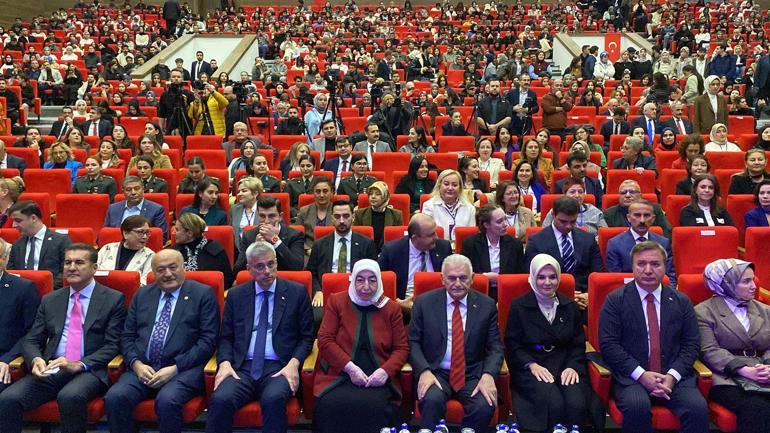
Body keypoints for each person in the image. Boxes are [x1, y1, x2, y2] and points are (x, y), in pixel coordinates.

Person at [0, 244, 126, 433]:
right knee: (8, 399)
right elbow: (32, 338)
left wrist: (79, 364)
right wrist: (35, 359)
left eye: (79, 262)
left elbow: (113, 344)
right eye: (68, 263)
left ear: (94, 268)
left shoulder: (113, 299)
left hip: (89, 369)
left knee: (70, 396)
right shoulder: (51, 299)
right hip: (53, 367)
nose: (72, 267)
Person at [104, 249, 220, 433]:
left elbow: (208, 341)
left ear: (183, 267)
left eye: (173, 267)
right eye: (160, 269)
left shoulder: (202, 294)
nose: (167, 274)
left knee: (167, 401)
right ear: (153, 272)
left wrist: (175, 368)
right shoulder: (142, 295)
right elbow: (127, 336)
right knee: (115, 397)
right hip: (143, 369)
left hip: (183, 370)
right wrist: (136, 364)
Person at [599, 241, 708, 433]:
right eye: (641, 264)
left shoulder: (681, 301)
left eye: (655, 264)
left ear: (665, 266)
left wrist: (672, 376)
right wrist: (641, 375)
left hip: (673, 377)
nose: (648, 270)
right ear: (632, 266)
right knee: (637, 407)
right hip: (632, 377)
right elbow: (609, 345)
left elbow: (691, 345)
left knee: (697, 408)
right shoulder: (616, 300)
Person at [206, 241, 313, 433]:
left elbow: (307, 337)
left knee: (273, 399)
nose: (267, 271)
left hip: (279, 366)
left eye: (271, 264)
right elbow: (226, 337)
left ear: (277, 263)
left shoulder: (296, 293)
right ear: (249, 269)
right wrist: (225, 363)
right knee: (221, 399)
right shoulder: (236, 295)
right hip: (242, 367)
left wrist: (294, 363)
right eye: (260, 266)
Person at [408, 254, 503, 432]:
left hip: (472, 373)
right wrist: (424, 371)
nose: (457, 283)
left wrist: (488, 375)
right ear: (442, 279)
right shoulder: (424, 303)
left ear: (472, 278)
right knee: (431, 400)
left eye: (463, 278)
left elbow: (495, 347)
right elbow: (413, 342)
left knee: (485, 405)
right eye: (451, 278)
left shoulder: (487, 305)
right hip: (435, 371)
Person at [313, 259, 408, 432]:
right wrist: (350, 369)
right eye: (360, 280)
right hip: (340, 373)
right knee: (329, 405)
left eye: (372, 280)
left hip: (377, 377)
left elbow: (401, 348)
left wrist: (385, 372)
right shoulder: (337, 301)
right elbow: (325, 340)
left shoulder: (391, 308)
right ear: (353, 280)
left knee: (377, 407)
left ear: (379, 281)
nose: (366, 286)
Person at [505, 253, 589, 432]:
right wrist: (531, 365)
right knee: (554, 403)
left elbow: (578, 344)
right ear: (533, 278)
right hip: (532, 367)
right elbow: (513, 345)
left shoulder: (569, 306)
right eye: (541, 277)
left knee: (576, 403)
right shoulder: (519, 306)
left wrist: (572, 366)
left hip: (565, 365)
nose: (547, 282)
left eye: (552, 277)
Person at [696, 258, 770, 433]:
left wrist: (767, 367)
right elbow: (709, 351)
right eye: (746, 281)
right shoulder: (703, 312)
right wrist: (744, 370)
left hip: (764, 372)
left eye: (753, 280)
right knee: (757, 407)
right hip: (726, 377)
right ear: (726, 284)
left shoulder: (765, 310)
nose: (754, 286)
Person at [306, 200, 377, 322]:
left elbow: (373, 274)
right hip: (327, 293)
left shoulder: (366, 244)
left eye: (346, 216)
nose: (342, 221)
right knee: (315, 317)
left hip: (357, 293)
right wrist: (318, 291)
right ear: (332, 218)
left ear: (353, 217)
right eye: (337, 217)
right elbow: (311, 273)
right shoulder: (320, 244)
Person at [525, 196, 603, 299]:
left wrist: (588, 295)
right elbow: (532, 277)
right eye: (563, 221)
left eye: (573, 222)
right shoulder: (536, 241)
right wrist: (567, 295)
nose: (568, 226)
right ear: (553, 215)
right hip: (550, 296)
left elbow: (597, 274)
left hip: (584, 296)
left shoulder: (588, 239)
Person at [378, 213, 452, 311]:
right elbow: (379, 283)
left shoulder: (443, 247)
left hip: (437, 305)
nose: (436, 237)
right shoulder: (392, 251)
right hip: (404, 307)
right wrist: (397, 304)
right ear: (415, 238)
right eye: (431, 235)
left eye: (435, 232)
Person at [461, 204, 524, 300]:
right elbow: (464, 274)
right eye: (499, 221)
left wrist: (501, 279)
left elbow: (520, 276)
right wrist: (484, 277)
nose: (505, 224)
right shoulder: (470, 244)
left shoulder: (515, 245)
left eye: (505, 219)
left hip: (507, 293)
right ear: (486, 225)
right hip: (477, 294)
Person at [0, 237, 39, 394]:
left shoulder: (22, 288)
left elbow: (31, 333)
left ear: (4, 259)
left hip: (4, 357)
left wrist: (7, 359)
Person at [607, 200, 677, 285]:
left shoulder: (663, 243)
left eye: (646, 215)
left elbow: (670, 277)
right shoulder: (615, 244)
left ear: (653, 219)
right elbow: (616, 280)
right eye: (637, 215)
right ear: (628, 218)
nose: (642, 220)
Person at [7, 200, 71, 289]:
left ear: (33, 218)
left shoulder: (61, 241)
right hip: (22, 292)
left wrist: (45, 288)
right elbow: (11, 272)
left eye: (18, 220)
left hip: (51, 291)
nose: (14, 225)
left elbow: (66, 271)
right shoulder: (17, 245)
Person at [234, 195, 304, 274]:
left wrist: (275, 240)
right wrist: (255, 248)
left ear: (280, 217)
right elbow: (238, 270)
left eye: (271, 216)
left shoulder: (295, 235)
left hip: (285, 279)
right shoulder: (249, 236)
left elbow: (297, 267)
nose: (266, 221)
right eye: (262, 216)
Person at [104, 176, 169, 242]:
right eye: (128, 190)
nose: (133, 192)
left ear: (143, 189)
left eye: (137, 189)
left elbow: (162, 237)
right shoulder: (113, 208)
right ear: (123, 191)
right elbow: (105, 233)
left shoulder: (156, 209)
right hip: (116, 245)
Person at [96, 215, 155, 285]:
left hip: (132, 291)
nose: (145, 237)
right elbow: (93, 272)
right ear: (125, 233)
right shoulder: (108, 248)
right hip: (102, 289)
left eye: (147, 232)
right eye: (140, 232)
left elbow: (146, 282)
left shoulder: (150, 255)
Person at [604, 180, 673, 239]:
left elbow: (667, 233)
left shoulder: (654, 210)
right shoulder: (609, 214)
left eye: (632, 192)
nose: (627, 195)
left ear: (640, 196)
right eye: (623, 193)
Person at [421, 169, 476, 243]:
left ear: (460, 188)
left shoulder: (470, 208)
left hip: (463, 248)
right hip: (437, 247)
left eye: (455, 185)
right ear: (439, 185)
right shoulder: (429, 206)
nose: (450, 188)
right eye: (446, 184)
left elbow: (472, 236)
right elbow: (426, 235)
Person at [543, 177, 608, 235]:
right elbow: (544, 233)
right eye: (572, 192)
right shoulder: (556, 211)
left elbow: (604, 234)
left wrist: (592, 242)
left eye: (580, 192)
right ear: (565, 194)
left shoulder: (595, 212)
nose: (577, 195)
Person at [353, 181, 403, 250]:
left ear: (385, 197)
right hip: (365, 252)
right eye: (371, 194)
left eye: (377, 194)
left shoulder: (396, 215)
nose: (373, 197)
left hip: (388, 252)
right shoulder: (360, 214)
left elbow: (399, 241)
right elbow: (356, 239)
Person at [296, 177, 334, 255]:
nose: (321, 195)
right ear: (313, 193)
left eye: (325, 191)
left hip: (333, 251)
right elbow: (297, 236)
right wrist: (307, 249)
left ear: (332, 192)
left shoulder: (338, 211)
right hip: (309, 252)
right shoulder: (304, 211)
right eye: (318, 191)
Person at [231, 176, 262, 253]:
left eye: (244, 191)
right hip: (239, 252)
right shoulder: (234, 209)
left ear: (255, 193)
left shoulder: (264, 209)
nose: (239, 194)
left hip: (260, 250)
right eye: (238, 191)